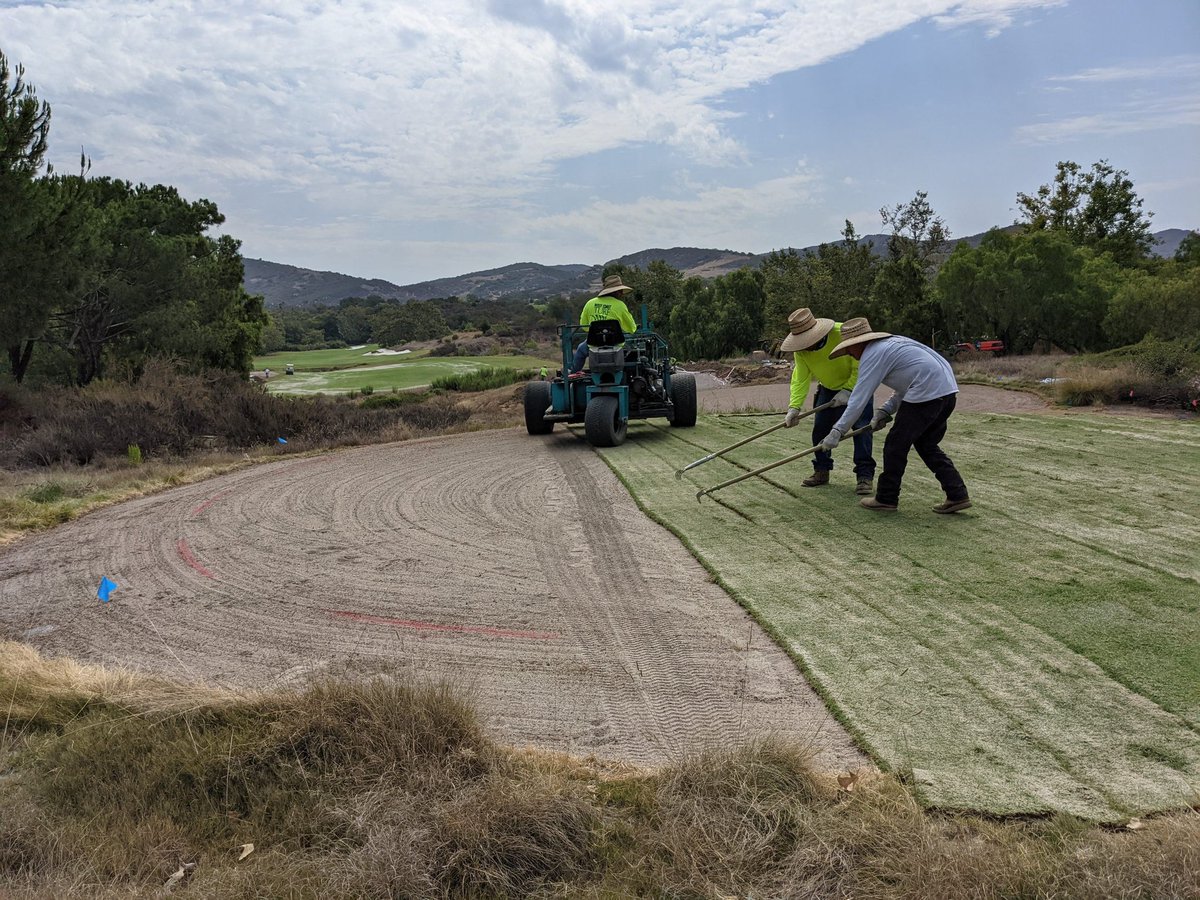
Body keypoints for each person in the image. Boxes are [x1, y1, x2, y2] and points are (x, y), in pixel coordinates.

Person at [818, 317, 971, 514]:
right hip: (947, 392)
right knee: (926, 444)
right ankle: (957, 494)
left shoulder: (873, 354)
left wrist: (837, 431)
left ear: (860, 343)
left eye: (849, 348)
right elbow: (909, 383)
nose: (849, 353)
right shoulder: (893, 345)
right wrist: (885, 410)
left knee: (895, 445)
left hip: (928, 394)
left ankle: (887, 498)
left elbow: (858, 399)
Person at [779, 308, 875, 496]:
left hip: (859, 386)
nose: (804, 347)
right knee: (820, 430)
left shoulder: (843, 333)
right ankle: (822, 470)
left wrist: (848, 390)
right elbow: (800, 377)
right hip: (828, 388)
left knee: (861, 429)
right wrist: (794, 407)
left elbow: (861, 363)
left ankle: (864, 476)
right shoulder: (802, 350)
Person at [569, 274, 639, 376]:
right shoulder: (620, 306)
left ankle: (573, 374)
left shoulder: (590, 303)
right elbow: (632, 329)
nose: (622, 294)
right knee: (633, 352)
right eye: (620, 291)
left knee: (580, 349)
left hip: (593, 346)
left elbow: (584, 327)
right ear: (617, 292)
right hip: (616, 346)